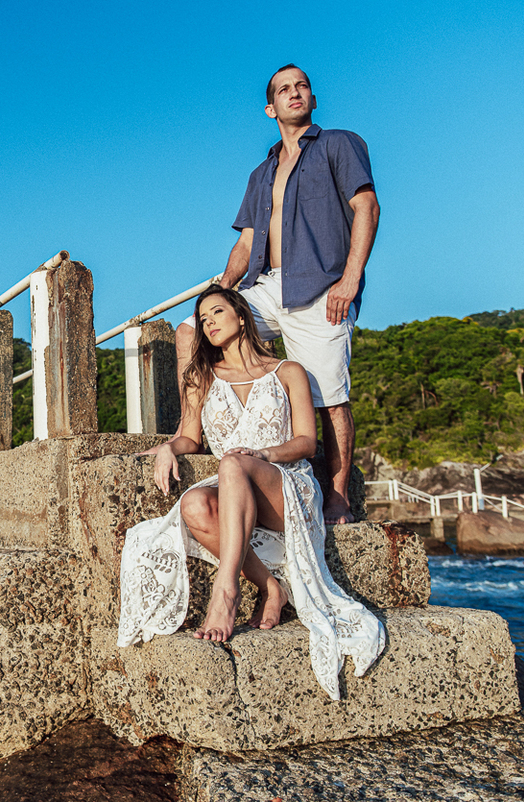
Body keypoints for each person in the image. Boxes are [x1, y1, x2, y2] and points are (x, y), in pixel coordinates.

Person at [119, 285, 384, 700]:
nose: (208, 323)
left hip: (285, 485)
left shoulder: (288, 371)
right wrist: (169, 448)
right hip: (234, 486)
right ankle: (270, 586)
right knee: (194, 504)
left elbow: (306, 442)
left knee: (232, 463)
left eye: (217, 312)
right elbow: (191, 438)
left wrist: (263, 454)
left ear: (242, 317)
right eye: (202, 319)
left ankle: (225, 592)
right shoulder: (202, 377)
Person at [175, 63, 380, 524]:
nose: (295, 92)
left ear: (312, 99)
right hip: (266, 285)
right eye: (284, 89)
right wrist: (221, 293)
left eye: (302, 86)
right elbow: (247, 242)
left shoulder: (338, 144)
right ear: (270, 108)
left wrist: (350, 279)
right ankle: (190, 431)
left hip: (322, 286)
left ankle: (338, 494)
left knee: (329, 396)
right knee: (190, 331)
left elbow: (367, 206)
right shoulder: (261, 172)